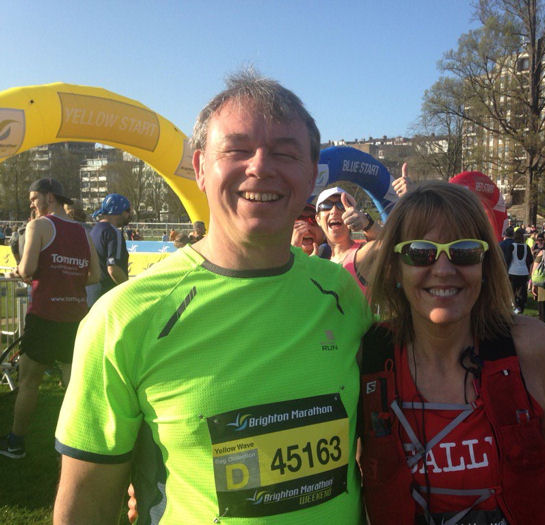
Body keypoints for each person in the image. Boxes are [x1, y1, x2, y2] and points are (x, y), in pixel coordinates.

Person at [53, 70, 371, 524]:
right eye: (238, 150)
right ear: (201, 168)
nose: (261, 166)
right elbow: (85, 503)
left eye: (285, 152)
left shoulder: (342, 294)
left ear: (311, 176)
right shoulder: (125, 316)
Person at [361, 181, 545, 524]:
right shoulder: (368, 356)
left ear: (485, 263)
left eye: (463, 251)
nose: (443, 269)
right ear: (394, 266)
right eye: (420, 252)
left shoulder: (532, 346)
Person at [0, 178, 100, 459]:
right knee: (72, 385)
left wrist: (19, 271)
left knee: (29, 382)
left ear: (50, 197)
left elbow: (28, 268)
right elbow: (95, 275)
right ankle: (73, 447)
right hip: (76, 317)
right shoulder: (82, 231)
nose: (32, 204)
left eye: (34, 198)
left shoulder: (39, 225)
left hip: (45, 315)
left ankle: (16, 442)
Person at [314, 186, 381, 293]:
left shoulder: (361, 254)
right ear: (317, 219)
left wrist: (367, 223)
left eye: (341, 205)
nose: (334, 211)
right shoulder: (314, 258)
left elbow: (389, 245)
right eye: (326, 206)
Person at [87, 193, 131, 306]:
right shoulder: (113, 233)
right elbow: (113, 269)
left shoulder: (94, 230)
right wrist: (129, 291)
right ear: (118, 210)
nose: (129, 215)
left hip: (92, 295)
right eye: (127, 210)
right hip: (108, 296)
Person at [505, 228, 533, 314]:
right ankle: (520, 307)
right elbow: (530, 260)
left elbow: (507, 259)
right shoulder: (526, 247)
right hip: (523, 272)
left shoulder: (512, 246)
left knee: (512, 290)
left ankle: (514, 306)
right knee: (522, 291)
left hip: (513, 271)